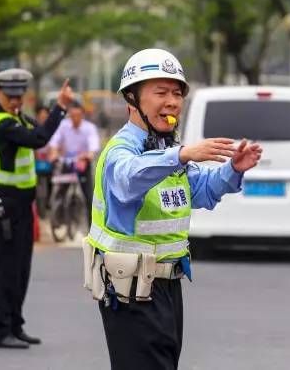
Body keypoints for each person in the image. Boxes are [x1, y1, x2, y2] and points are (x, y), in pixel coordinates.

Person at [82, 48, 262, 370]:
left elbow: (202, 191)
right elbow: (128, 179)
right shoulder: (121, 151)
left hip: (167, 289)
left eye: (177, 93)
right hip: (130, 292)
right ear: (133, 99)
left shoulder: (167, 150)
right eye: (160, 92)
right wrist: (180, 155)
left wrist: (233, 169)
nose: (172, 102)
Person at [0, 69, 73, 349]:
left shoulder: (16, 117)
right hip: (4, 205)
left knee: (20, 268)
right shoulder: (2, 123)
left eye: (19, 96)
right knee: (4, 269)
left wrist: (55, 113)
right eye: (10, 96)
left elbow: (39, 130)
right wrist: (60, 107)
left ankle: (15, 324)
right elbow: (38, 139)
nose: (15, 101)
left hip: (21, 205)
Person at [48, 101, 101, 226]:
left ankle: (91, 225)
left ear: (82, 115)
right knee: (60, 190)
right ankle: (58, 215)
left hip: (82, 164)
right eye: (72, 115)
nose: (74, 118)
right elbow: (54, 141)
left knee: (88, 196)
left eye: (77, 115)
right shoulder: (64, 126)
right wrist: (54, 152)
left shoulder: (89, 128)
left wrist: (89, 155)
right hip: (67, 163)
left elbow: (94, 145)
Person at [34, 105, 53, 218]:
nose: (43, 118)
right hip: (36, 160)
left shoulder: (52, 129)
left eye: (45, 116)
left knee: (52, 180)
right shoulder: (33, 128)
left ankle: (48, 202)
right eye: (41, 116)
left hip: (49, 160)